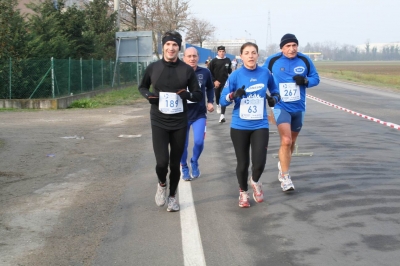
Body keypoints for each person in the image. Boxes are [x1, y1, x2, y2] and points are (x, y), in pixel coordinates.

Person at [138, 30, 203, 212]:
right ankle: (161, 184)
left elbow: (198, 94)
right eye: (168, 44)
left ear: (179, 48)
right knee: (161, 162)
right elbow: (142, 86)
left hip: (179, 121)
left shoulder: (186, 70)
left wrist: (187, 95)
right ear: (163, 46)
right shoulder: (153, 68)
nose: (171, 48)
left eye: (175, 45)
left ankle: (173, 196)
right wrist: (148, 96)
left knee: (175, 163)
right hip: (158, 119)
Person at [220, 42, 280, 208]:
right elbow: (222, 99)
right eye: (247, 53)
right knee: (243, 163)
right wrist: (233, 95)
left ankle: (255, 181)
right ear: (241, 56)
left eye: (254, 52)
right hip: (239, 125)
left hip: (260, 124)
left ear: (257, 55)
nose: (251, 56)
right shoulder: (235, 75)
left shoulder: (266, 73)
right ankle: (243, 193)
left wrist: (274, 99)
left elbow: (276, 93)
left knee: (259, 162)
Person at [263, 33, 320, 192]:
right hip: (281, 106)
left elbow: (316, 78)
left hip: (299, 108)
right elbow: (262, 77)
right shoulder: (273, 61)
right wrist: (266, 95)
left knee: (292, 142)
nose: (292, 48)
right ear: (282, 48)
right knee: (286, 140)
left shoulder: (305, 60)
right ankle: (285, 177)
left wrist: (306, 81)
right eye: (288, 46)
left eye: (294, 45)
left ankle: (283, 162)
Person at [180, 47, 215, 181]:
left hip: (199, 113)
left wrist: (211, 101)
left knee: (199, 141)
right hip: (181, 114)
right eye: (189, 56)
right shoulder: (178, 72)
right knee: (182, 144)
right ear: (184, 58)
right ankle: (184, 166)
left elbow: (210, 87)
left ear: (198, 57)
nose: (192, 58)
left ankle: (194, 161)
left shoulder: (204, 72)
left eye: (194, 56)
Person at [208, 46, 232, 123]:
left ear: (225, 52)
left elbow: (229, 71)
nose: (221, 53)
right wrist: (214, 81)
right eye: (220, 51)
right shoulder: (214, 61)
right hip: (216, 82)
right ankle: (218, 104)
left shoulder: (228, 60)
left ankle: (222, 115)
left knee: (223, 97)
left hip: (225, 82)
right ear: (217, 52)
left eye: (223, 51)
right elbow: (209, 72)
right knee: (217, 96)